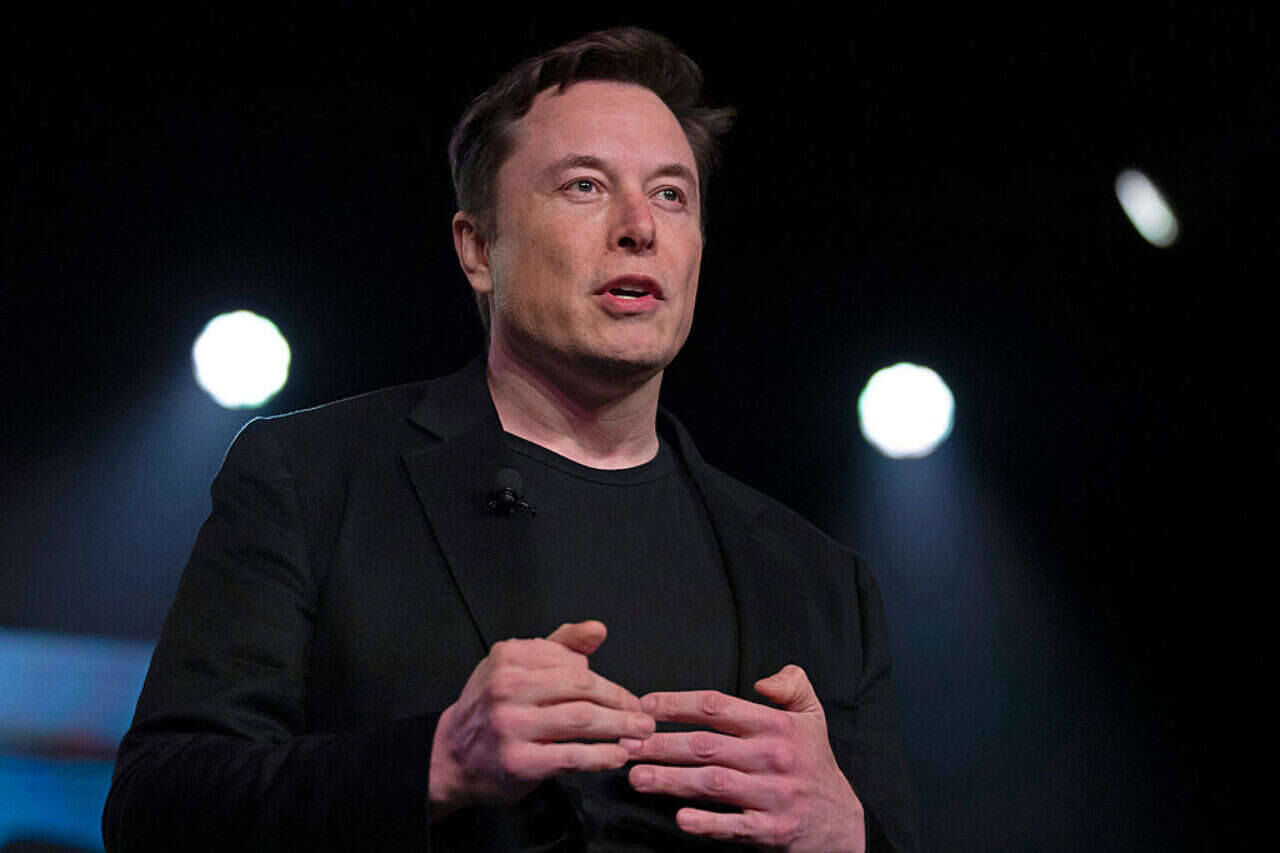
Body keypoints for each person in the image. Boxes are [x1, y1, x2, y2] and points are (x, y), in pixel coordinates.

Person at [103, 27, 918, 852]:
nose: (640, 226)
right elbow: (155, 807)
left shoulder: (820, 581)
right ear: (478, 249)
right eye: (585, 186)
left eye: (672, 194)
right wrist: (436, 760)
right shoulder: (312, 479)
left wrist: (849, 832)